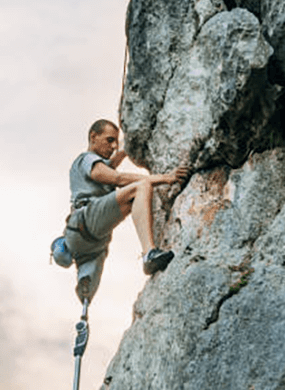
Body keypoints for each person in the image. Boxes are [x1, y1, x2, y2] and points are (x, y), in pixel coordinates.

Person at [65, 119, 191, 299]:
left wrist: (126, 147)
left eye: (115, 141)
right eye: (109, 140)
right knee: (142, 187)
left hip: (85, 237)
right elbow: (115, 177)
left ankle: (84, 305)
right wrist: (166, 177)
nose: (114, 146)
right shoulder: (86, 160)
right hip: (86, 218)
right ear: (93, 137)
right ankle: (149, 253)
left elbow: (113, 162)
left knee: (133, 200)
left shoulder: (97, 163)